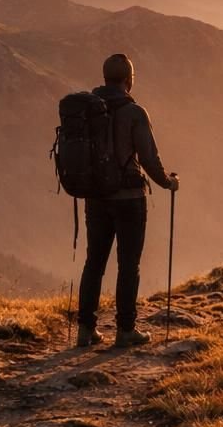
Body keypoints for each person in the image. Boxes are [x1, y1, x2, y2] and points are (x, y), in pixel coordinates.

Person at [77, 53, 179, 349]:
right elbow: (148, 158)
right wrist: (168, 183)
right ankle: (125, 330)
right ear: (129, 80)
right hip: (129, 200)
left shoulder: (88, 109)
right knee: (128, 264)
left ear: (105, 77)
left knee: (94, 262)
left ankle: (85, 330)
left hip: (96, 197)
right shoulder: (134, 112)